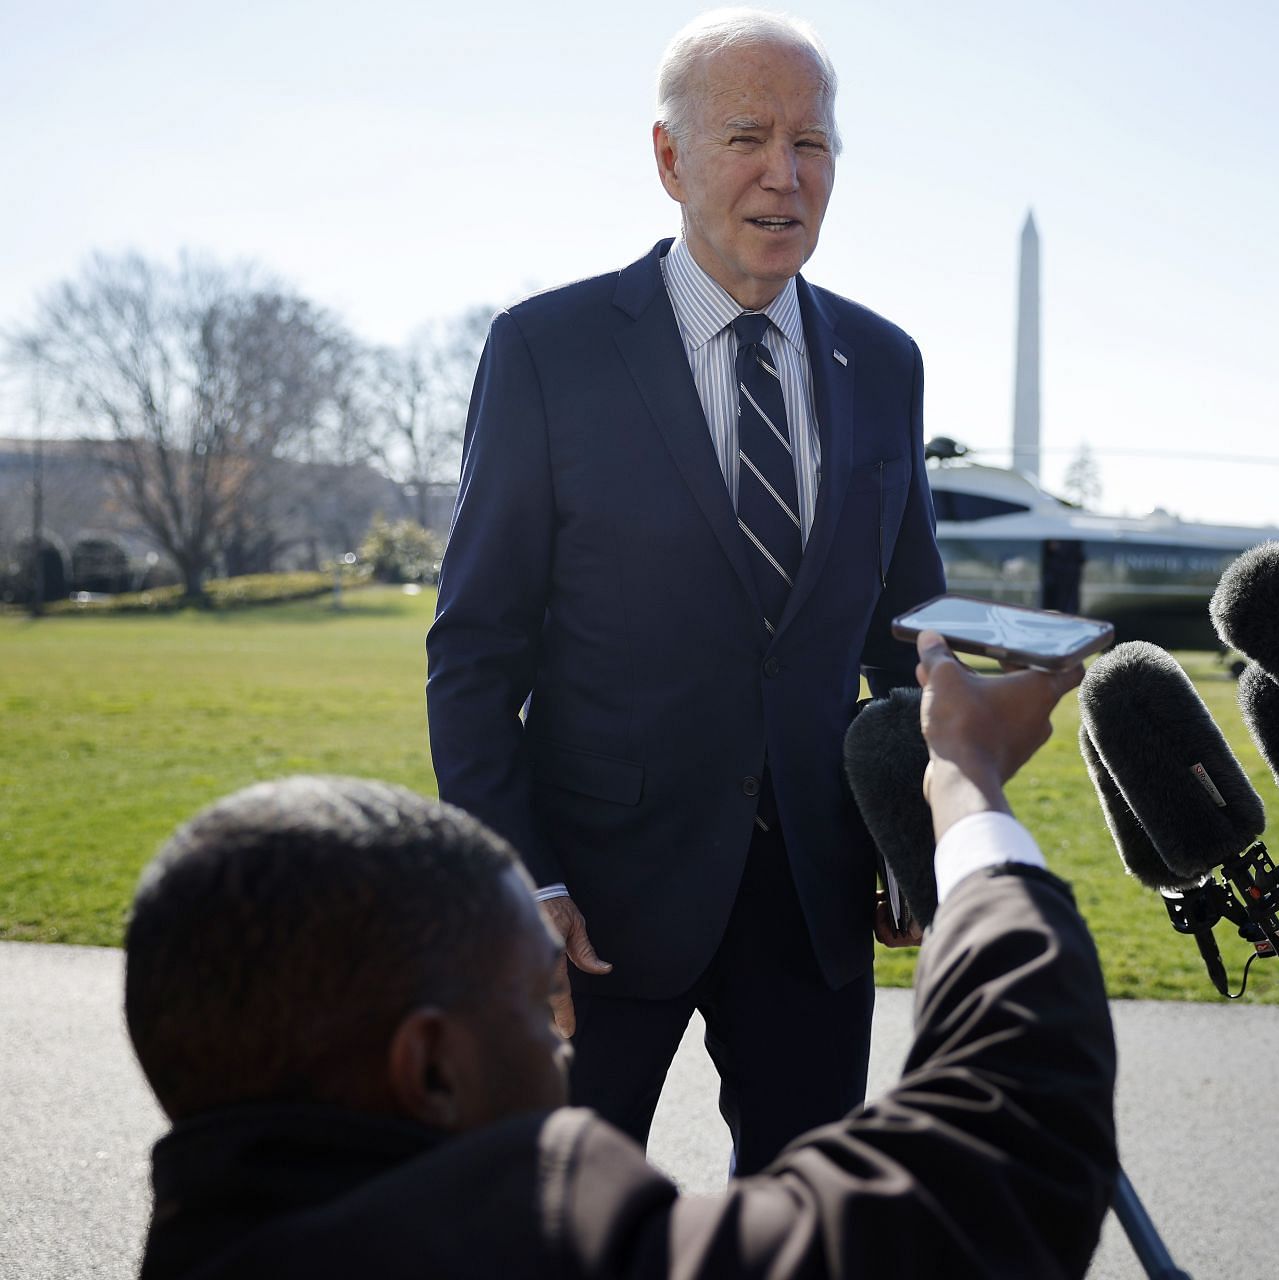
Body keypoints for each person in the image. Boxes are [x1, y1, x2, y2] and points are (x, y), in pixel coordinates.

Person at [130, 633, 1117, 1279]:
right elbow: (1003, 1159)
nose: (564, 1050)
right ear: (430, 1067)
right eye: (531, 1005)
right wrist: (965, 788)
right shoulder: (541, 1246)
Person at [425, 8, 946, 1173]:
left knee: (807, 1230)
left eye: (812, 143)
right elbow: (472, 656)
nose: (785, 174)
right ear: (668, 157)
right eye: (747, 138)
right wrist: (522, 879)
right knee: (543, 1224)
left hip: (815, 904)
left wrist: (913, 836)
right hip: (592, 909)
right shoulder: (546, 351)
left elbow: (912, 641)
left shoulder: (887, 361)